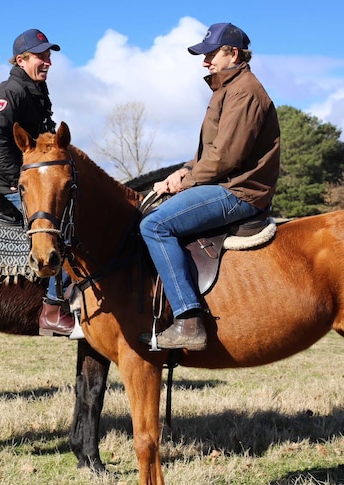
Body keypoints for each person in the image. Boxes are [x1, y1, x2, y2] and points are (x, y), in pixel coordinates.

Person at [139, 22, 280, 351]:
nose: (205, 62)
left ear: (233, 54)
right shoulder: (228, 89)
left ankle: (188, 320)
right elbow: (209, 153)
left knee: (155, 225)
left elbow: (226, 158)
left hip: (240, 192)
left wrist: (186, 181)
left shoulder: (245, 91)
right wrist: (182, 172)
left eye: (211, 54)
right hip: (226, 182)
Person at [0, 29, 75, 337]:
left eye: (49, 55)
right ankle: (52, 308)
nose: (47, 61)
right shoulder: (10, 93)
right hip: (12, 187)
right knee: (57, 230)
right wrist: (16, 180)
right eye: (40, 56)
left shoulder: (36, 90)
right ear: (21, 60)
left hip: (33, 183)